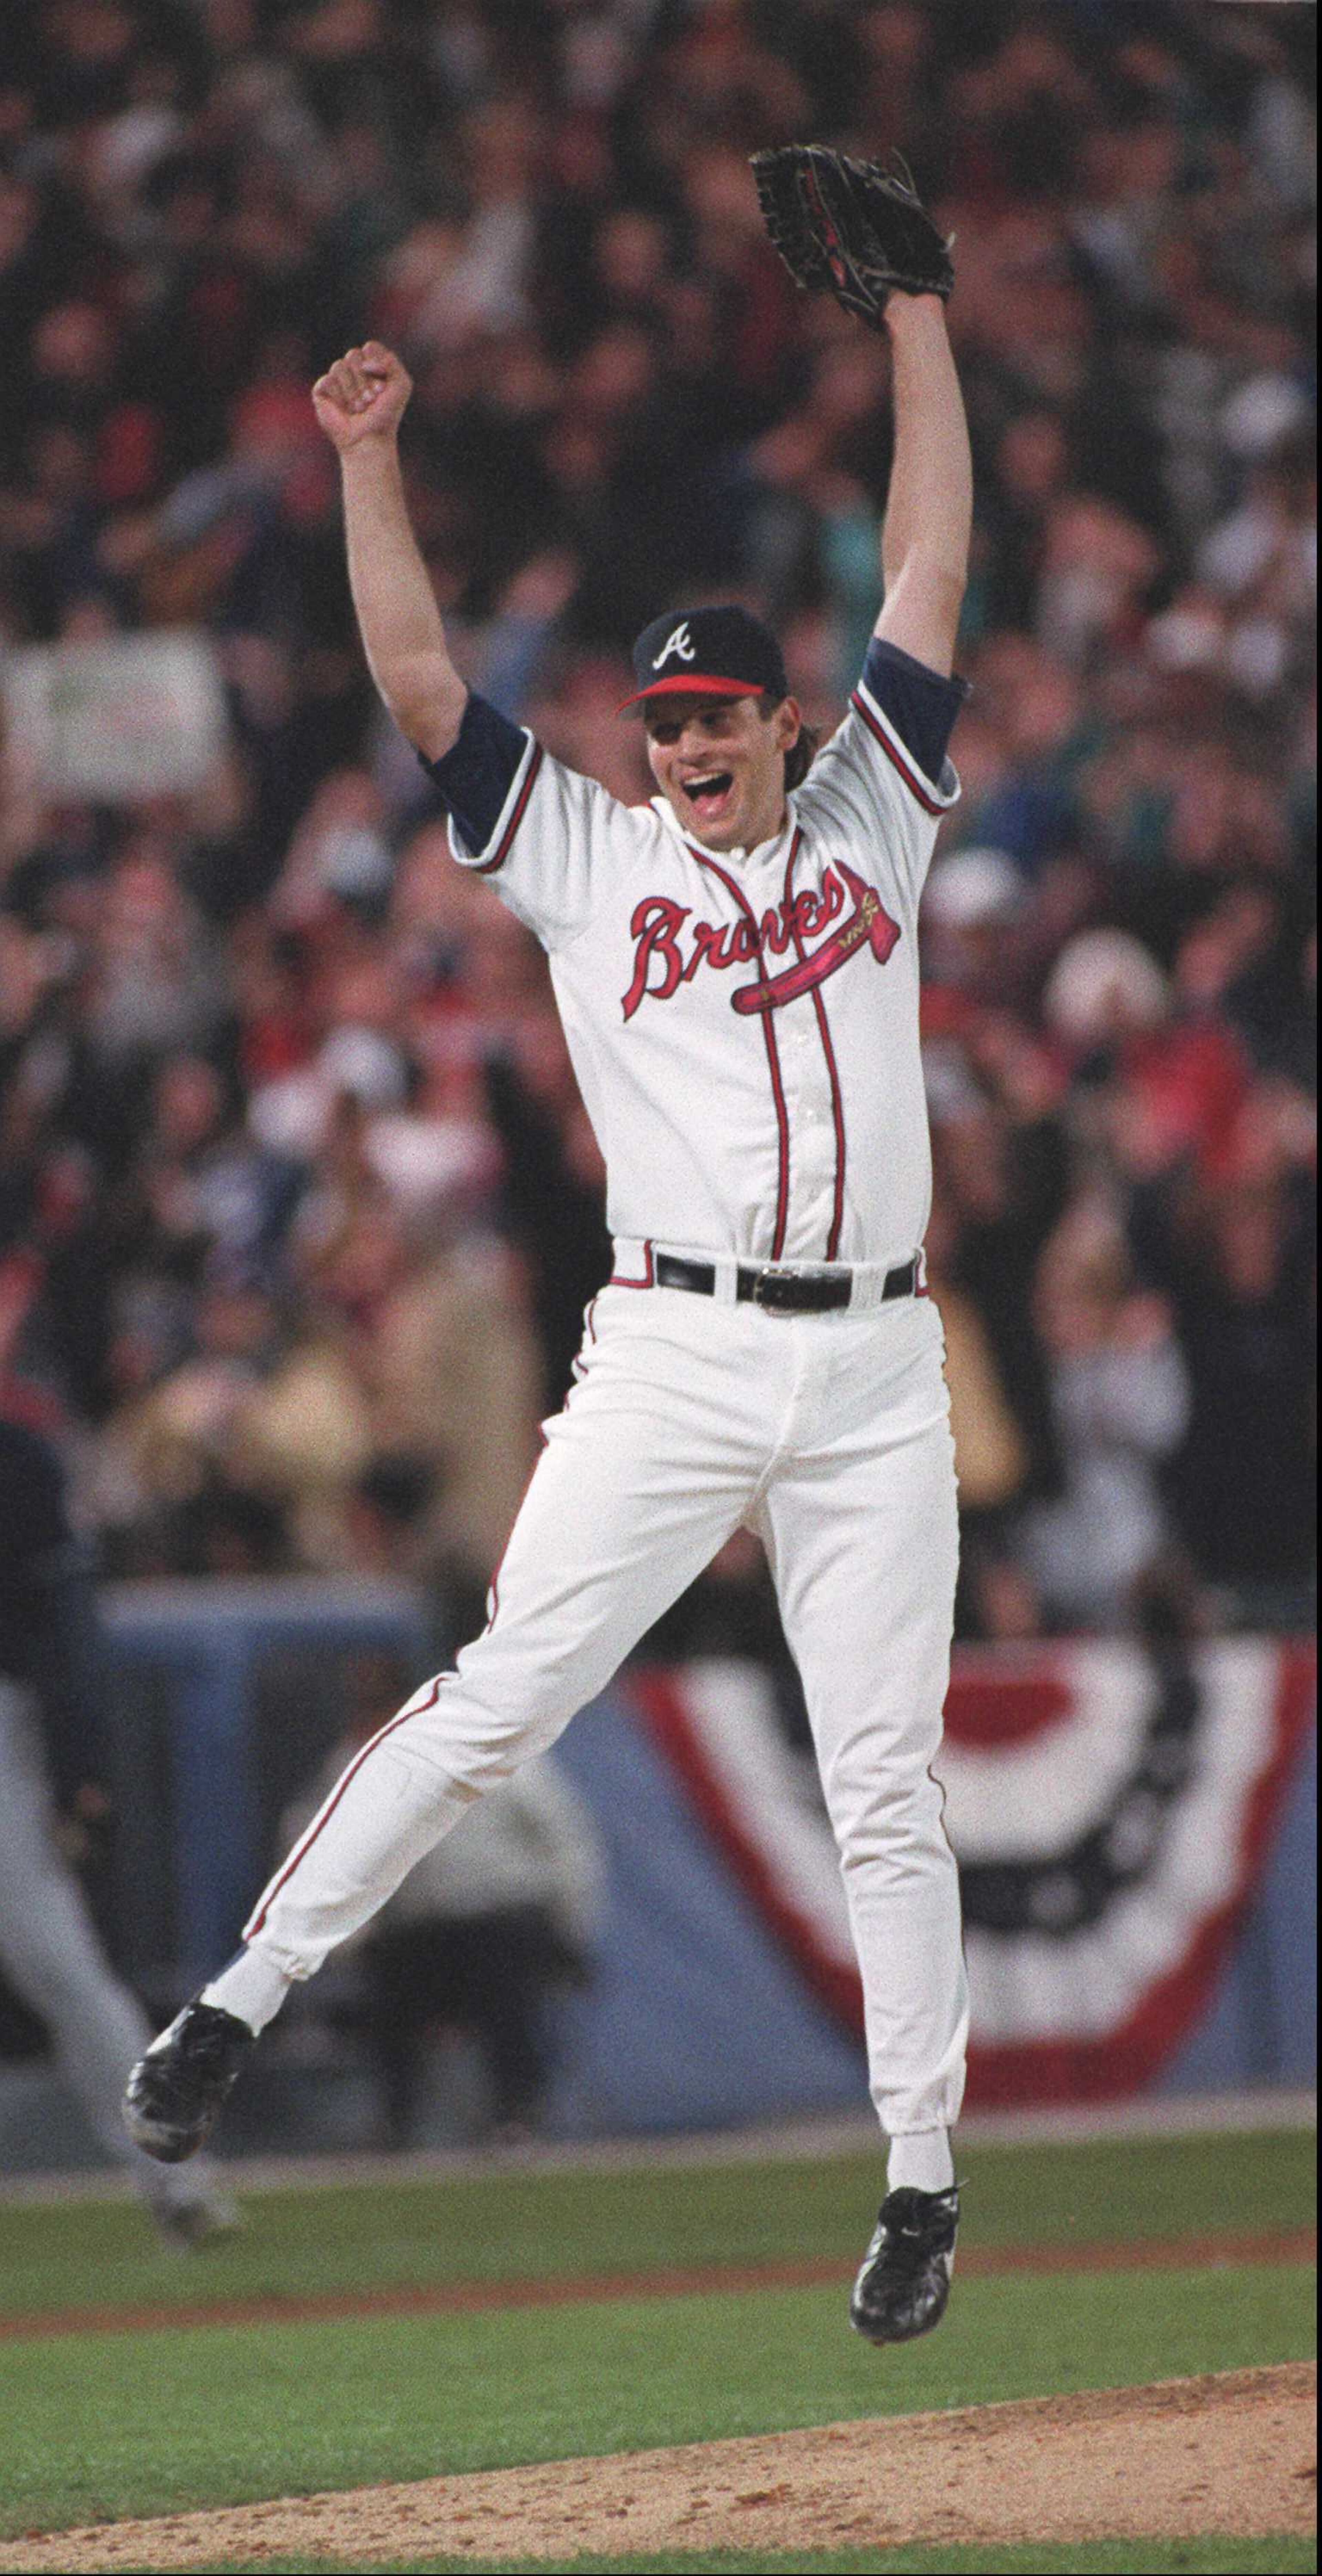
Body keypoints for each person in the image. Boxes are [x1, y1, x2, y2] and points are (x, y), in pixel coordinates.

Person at [126, 244, 975, 2342]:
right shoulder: (590, 855)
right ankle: (240, 1995)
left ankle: (922, 2185)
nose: (685, 744)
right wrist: (367, 460)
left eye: (714, 715)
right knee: (501, 1688)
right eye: (661, 717)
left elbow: (934, 559)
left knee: (885, 1771)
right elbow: (423, 687)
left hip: (875, 1356)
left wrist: (924, 324)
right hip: (674, 1346)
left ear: (780, 720)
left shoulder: (874, 813)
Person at [0, 1413, 235, 2246]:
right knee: (65, 1969)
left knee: (60, 1964)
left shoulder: (18, 1456)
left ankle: (176, 2178)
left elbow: (62, 1616)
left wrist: (78, 1759)